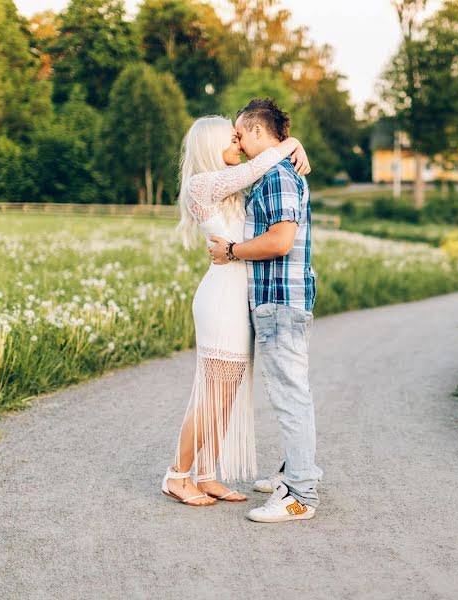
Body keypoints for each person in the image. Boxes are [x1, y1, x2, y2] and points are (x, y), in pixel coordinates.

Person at [161, 115, 310, 507]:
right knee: (212, 392)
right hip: (220, 297)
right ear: (212, 145)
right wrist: (291, 144)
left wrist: (290, 146)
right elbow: (260, 164)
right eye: (232, 139)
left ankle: (207, 474)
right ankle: (177, 475)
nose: (239, 145)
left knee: (227, 393)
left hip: (238, 295)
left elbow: (260, 173)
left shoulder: (234, 189)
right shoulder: (202, 185)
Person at [208, 98, 322, 522]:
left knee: (291, 395)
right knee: (292, 392)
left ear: (259, 132)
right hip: (280, 299)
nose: (237, 140)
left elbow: (280, 241)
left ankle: (300, 496)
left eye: (240, 133)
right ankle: (297, 472)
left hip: (280, 301)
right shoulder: (275, 172)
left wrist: (233, 251)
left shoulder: (275, 176)